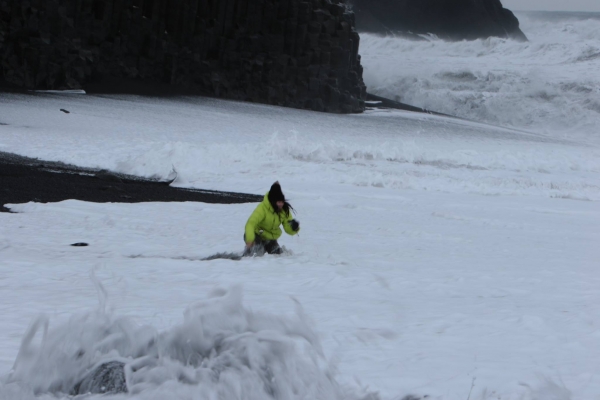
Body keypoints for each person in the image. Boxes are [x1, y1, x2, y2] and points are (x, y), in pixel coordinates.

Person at [244, 182, 300, 256]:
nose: (281, 204)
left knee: (279, 254)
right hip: (256, 235)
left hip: (270, 238)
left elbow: (287, 228)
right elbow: (250, 223)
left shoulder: (284, 210)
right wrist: (250, 239)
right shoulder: (262, 208)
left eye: (282, 202)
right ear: (273, 201)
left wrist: (294, 228)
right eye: (278, 202)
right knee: (257, 253)